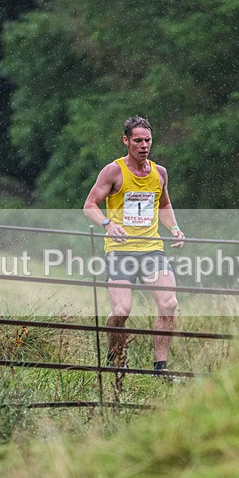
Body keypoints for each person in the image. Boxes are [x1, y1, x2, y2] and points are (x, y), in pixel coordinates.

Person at [83, 116, 185, 375]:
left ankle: (160, 368)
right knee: (121, 310)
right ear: (126, 141)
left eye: (147, 140)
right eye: (138, 140)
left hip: (151, 249)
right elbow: (89, 205)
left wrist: (174, 228)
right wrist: (108, 224)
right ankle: (115, 359)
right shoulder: (113, 171)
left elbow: (164, 205)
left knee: (169, 303)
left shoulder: (159, 173)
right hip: (120, 251)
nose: (144, 145)